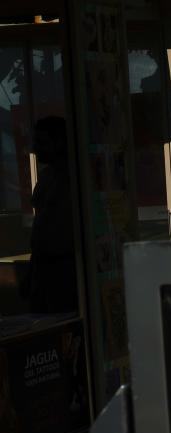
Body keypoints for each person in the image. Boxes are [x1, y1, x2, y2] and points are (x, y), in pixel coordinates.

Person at [23, 116, 77, 313]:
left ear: (59, 142)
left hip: (64, 269)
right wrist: (31, 273)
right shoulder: (47, 177)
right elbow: (41, 228)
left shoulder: (74, 178)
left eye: (41, 142)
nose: (35, 149)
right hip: (45, 268)